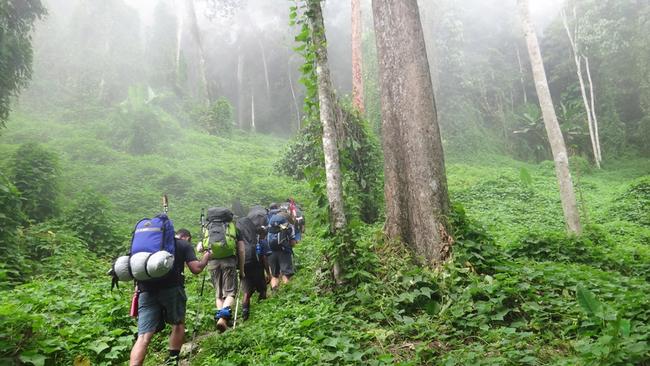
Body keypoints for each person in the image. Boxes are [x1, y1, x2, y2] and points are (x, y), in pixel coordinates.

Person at [130, 229, 211, 366]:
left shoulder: (144, 247)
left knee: (143, 336)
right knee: (178, 324)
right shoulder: (182, 244)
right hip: (172, 288)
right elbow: (196, 269)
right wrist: (206, 257)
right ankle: (172, 361)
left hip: (145, 290)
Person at [197, 210, 245, 333]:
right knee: (230, 293)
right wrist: (242, 269)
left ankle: (221, 317)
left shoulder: (208, 228)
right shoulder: (233, 227)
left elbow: (200, 247)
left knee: (218, 294)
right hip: (229, 261)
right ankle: (222, 319)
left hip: (212, 262)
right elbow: (241, 250)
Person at [236, 206, 272, 320]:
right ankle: (263, 312)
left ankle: (245, 316)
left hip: (243, 266)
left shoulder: (238, 242)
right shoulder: (257, 241)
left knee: (246, 292)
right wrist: (268, 273)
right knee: (262, 288)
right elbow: (264, 258)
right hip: (256, 265)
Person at [267, 208, 297, 291]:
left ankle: (274, 291)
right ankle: (287, 294)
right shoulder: (288, 225)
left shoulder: (270, 224)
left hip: (271, 251)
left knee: (274, 275)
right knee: (286, 274)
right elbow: (293, 242)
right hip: (284, 251)